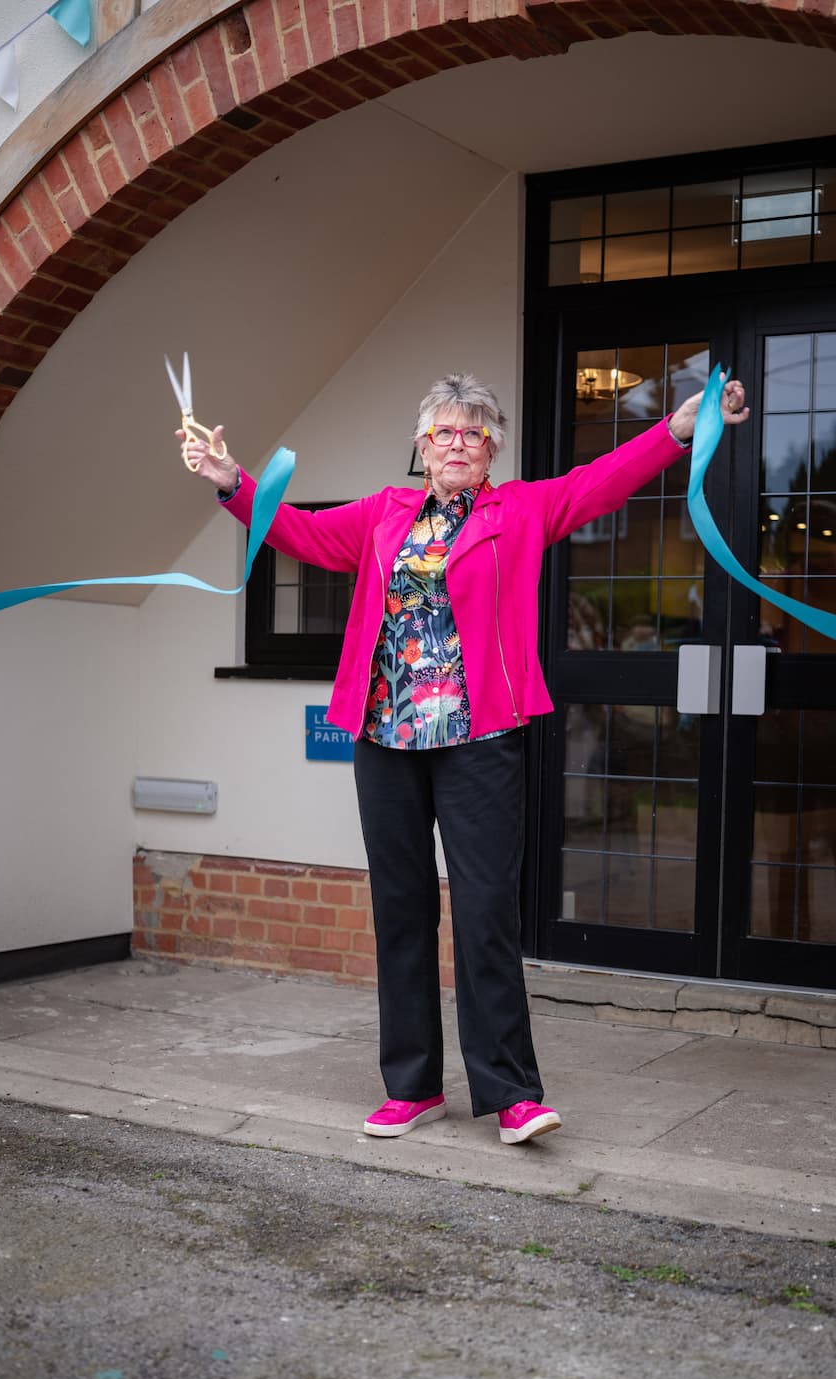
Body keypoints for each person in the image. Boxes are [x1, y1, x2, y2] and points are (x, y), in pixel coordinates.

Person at [179, 371, 748, 1145]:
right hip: (385, 739)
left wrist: (678, 428)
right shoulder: (382, 513)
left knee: (485, 913)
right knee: (401, 911)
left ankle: (511, 1093)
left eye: (472, 434)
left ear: (491, 450)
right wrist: (232, 483)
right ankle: (412, 1087)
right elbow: (300, 535)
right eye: (443, 432)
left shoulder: (521, 511)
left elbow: (601, 483)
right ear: (422, 445)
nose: (457, 444)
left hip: (480, 742)